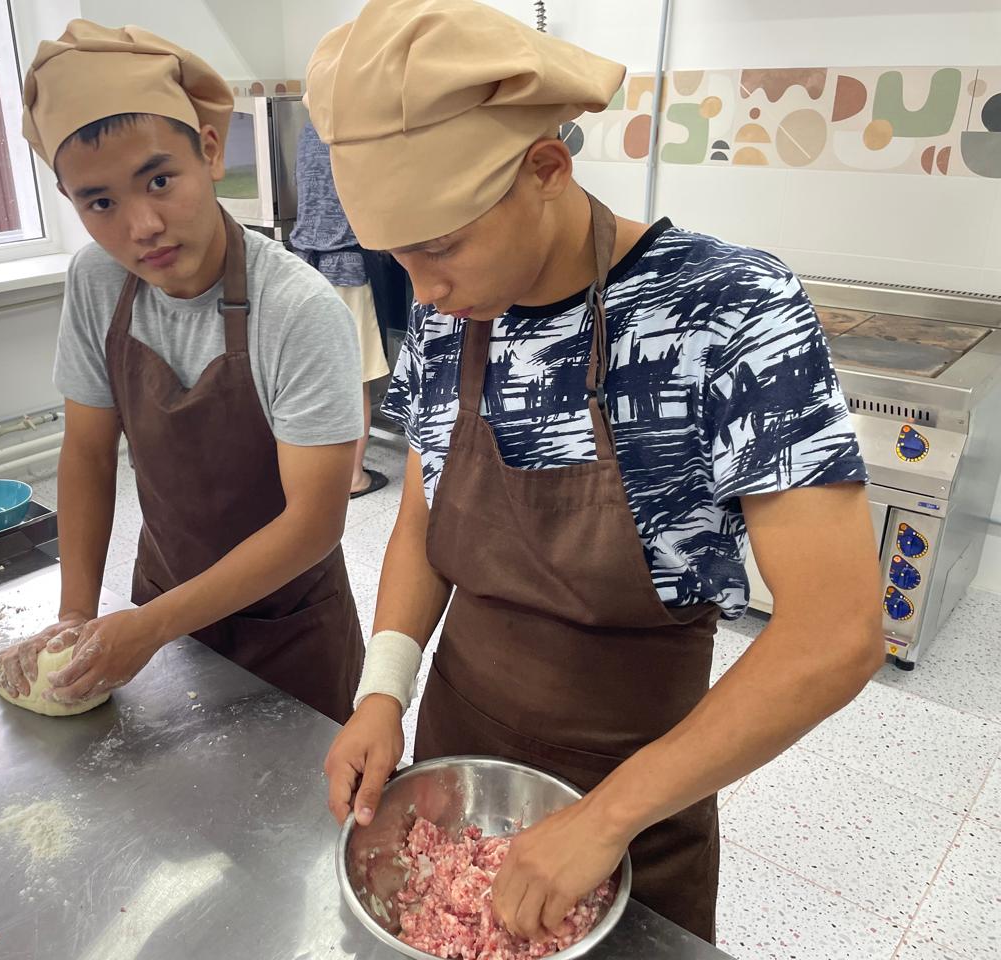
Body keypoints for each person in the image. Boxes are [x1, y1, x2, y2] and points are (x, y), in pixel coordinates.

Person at [312, 0, 885, 944]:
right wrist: (384, 689)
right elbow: (422, 516)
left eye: (442, 245)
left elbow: (837, 633)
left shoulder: (730, 310)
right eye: (397, 256)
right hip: (459, 775)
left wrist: (605, 819)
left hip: (641, 796)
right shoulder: (449, 318)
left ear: (547, 168)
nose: (426, 291)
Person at [0, 21, 365, 724]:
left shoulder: (298, 309)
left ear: (211, 151)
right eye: (100, 202)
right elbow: (87, 452)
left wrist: (151, 627)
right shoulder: (98, 282)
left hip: (288, 626)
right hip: (161, 598)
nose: (142, 227)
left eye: (159, 181)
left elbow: (314, 523)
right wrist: (76, 614)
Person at [291, 116, 390, 498]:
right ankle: (352, 478)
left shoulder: (310, 126)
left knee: (316, 376)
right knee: (354, 378)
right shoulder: (355, 128)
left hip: (305, 265)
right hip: (344, 265)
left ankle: (314, 468)